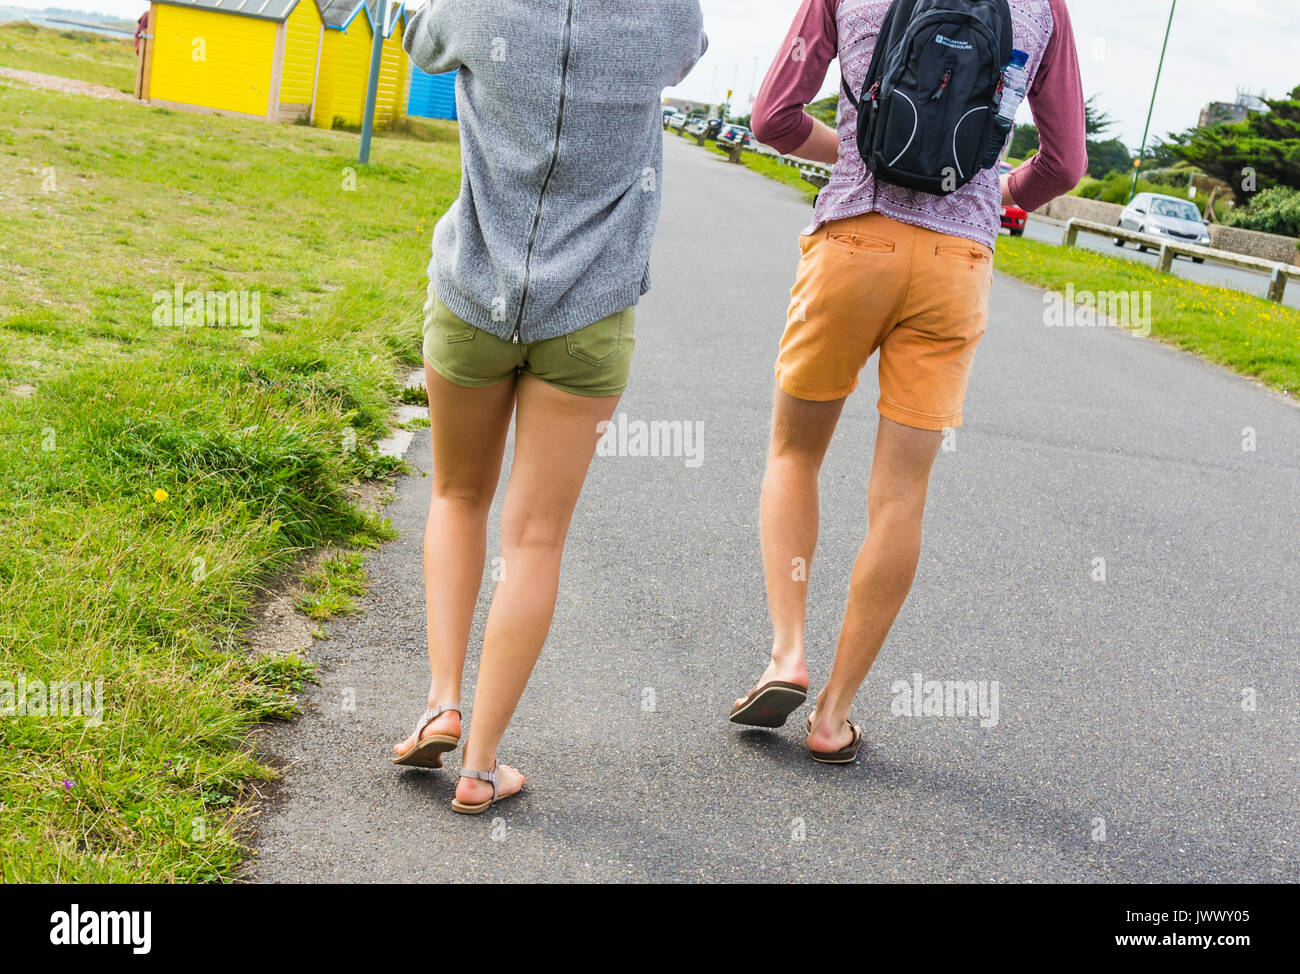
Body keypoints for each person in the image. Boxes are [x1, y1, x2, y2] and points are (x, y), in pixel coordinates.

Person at [731, 0, 1087, 762]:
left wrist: (857, 152)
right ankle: (833, 716)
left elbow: (772, 119)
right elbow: (1065, 164)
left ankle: (787, 652)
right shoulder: (1043, 9)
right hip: (955, 266)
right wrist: (991, 190)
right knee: (900, 496)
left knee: (794, 454)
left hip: (853, 239)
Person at [392, 0, 707, 813]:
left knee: (458, 497)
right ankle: (480, 766)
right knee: (535, 539)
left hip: (471, 298)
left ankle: (440, 702)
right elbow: (691, 52)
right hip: (591, 313)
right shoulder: (665, 14)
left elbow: (416, 38)